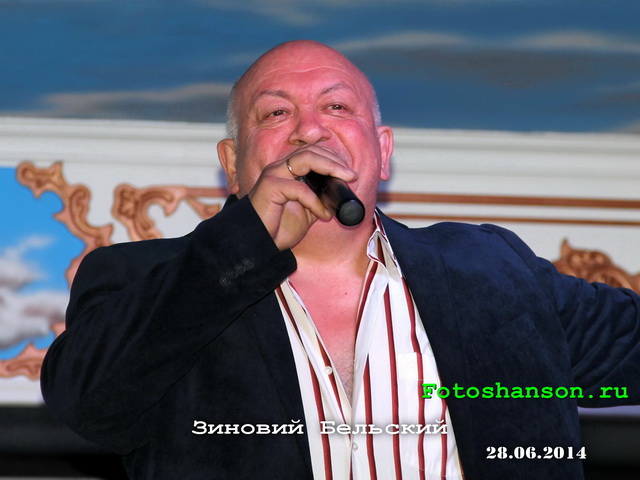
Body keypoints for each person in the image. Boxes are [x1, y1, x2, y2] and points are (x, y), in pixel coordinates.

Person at [41, 40, 640, 480]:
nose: (309, 131)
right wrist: (243, 244)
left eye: (337, 108)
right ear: (233, 164)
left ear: (382, 151)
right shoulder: (144, 279)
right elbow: (89, 404)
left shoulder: (492, 269)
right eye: (275, 114)